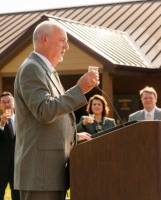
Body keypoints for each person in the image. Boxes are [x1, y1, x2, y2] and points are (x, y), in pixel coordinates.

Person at [13, 20, 99, 200]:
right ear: (45, 39)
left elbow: (54, 116)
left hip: (51, 172)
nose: (67, 47)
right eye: (62, 41)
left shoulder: (48, 71)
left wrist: (74, 136)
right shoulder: (31, 68)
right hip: (40, 173)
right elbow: (45, 111)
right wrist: (79, 90)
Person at [128, 86, 161, 200]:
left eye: (151, 98)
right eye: (145, 98)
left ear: (156, 99)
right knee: (143, 192)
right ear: (141, 100)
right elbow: (130, 138)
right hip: (141, 160)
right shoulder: (133, 117)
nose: (148, 100)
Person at [0, 91, 20, 200]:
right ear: (0, 106)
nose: (7, 104)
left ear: (14, 104)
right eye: (4, 102)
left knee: (18, 196)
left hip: (17, 165)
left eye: (9, 101)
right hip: (1, 166)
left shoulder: (22, 121)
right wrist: (1, 124)